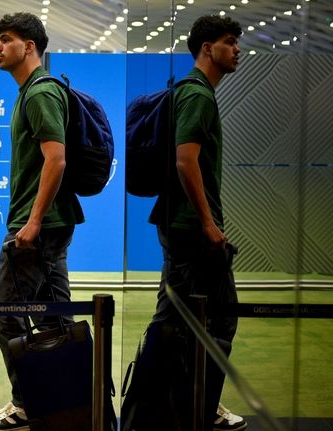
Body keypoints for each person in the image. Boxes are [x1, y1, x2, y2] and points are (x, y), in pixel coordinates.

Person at [0, 12, 84, 431]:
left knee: (5, 313)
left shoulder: (39, 92)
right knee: (55, 321)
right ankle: (71, 406)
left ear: (29, 46)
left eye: (6, 40)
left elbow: (55, 160)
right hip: (46, 226)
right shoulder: (32, 92)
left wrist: (33, 221)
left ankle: (26, 405)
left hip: (35, 228)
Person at [145, 15, 246, 431]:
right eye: (229, 42)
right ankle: (196, 407)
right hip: (191, 229)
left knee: (174, 318)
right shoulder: (198, 95)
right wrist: (208, 223)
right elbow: (185, 160)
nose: (237, 49)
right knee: (220, 317)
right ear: (207, 48)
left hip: (182, 225)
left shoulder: (193, 92)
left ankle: (162, 403)